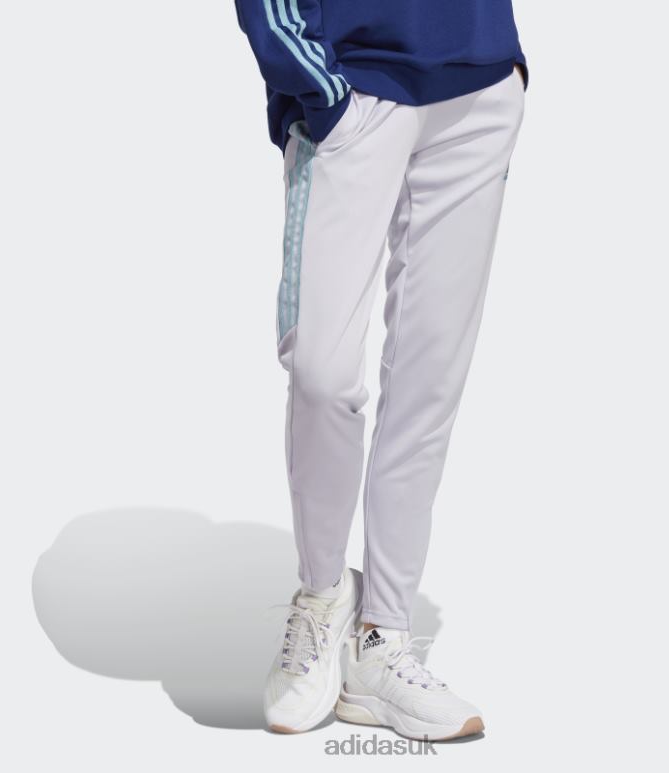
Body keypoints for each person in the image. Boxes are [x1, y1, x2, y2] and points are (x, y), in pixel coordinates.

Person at [234, 0, 528, 740]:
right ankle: (322, 596)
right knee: (321, 371)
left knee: (430, 378)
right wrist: (317, 86)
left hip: (477, 89)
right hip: (351, 86)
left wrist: (506, 64)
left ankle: (383, 639)